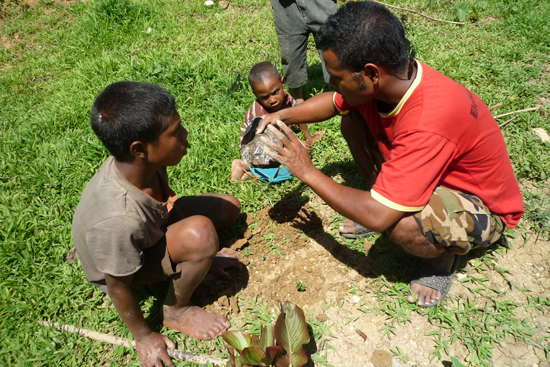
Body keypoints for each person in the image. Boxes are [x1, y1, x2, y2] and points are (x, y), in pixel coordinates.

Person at [256, 1, 524, 307]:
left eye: (336, 75)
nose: (330, 82)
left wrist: (307, 171)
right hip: (433, 177)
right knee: (351, 119)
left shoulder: (427, 121)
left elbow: (380, 217)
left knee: (399, 224)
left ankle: (443, 258)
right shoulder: (392, 80)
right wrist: (280, 117)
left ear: (371, 73)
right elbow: (333, 102)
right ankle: (380, 193)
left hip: (481, 207)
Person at [72, 81, 243, 366]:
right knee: (201, 233)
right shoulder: (116, 218)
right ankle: (175, 311)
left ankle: (195, 251)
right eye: (175, 132)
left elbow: (167, 203)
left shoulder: (141, 162)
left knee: (228, 208)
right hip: (126, 264)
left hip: (148, 229)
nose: (185, 134)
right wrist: (144, 336)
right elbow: (118, 287)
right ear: (139, 148)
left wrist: (202, 257)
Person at [231, 61, 323, 180]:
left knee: (297, 159)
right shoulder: (259, 114)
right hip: (255, 146)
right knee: (294, 161)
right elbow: (266, 143)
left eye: (275, 92)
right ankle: (242, 165)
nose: (272, 100)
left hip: (273, 142)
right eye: (265, 97)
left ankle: (253, 174)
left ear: (283, 83)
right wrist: (297, 144)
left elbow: (299, 117)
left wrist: (309, 138)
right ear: (255, 94)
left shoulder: (287, 98)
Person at [270, 0, 338, 104]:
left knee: (333, 45)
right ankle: (298, 99)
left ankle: (339, 93)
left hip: (321, 4)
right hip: (286, 8)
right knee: (291, 51)